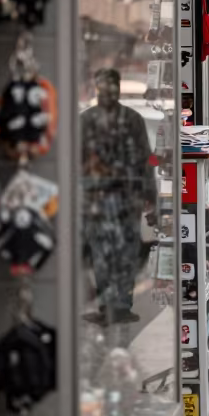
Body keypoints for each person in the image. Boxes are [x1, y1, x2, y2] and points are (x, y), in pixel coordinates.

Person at [81, 68, 157, 325]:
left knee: (126, 249)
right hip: (97, 197)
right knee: (101, 250)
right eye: (104, 86)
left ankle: (122, 305)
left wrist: (150, 193)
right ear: (97, 88)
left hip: (127, 198)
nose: (109, 91)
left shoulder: (133, 119)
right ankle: (106, 305)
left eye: (112, 86)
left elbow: (147, 158)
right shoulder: (86, 120)